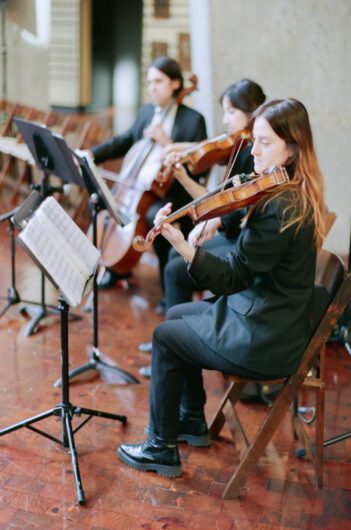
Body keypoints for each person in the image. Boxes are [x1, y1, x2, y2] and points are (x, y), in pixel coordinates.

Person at [117, 98, 326, 478]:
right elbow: (248, 259)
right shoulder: (287, 193)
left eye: (264, 143)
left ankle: (160, 447)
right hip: (268, 314)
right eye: (253, 141)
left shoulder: (279, 208)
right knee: (178, 314)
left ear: (292, 149)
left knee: (165, 335)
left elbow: (232, 276)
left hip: (265, 336)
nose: (253, 151)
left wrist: (182, 245)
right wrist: (221, 218)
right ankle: (191, 419)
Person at [138, 79, 266, 375]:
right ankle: (172, 344)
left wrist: (216, 217)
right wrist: (181, 164)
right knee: (173, 259)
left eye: (232, 112)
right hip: (233, 232)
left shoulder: (251, 152)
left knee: (174, 268)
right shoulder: (237, 145)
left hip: (239, 239)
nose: (226, 120)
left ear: (251, 112)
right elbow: (216, 183)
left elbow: (232, 208)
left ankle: (178, 350)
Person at [91, 56, 207, 293]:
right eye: (149, 82)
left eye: (158, 81)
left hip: (176, 191)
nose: (152, 88)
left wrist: (167, 143)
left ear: (176, 83)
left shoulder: (193, 120)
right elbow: (124, 140)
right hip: (141, 186)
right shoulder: (146, 112)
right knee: (101, 201)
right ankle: (116, 268)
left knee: (157, 215)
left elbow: (198, 166)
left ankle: (168, 288)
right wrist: (92, 155)